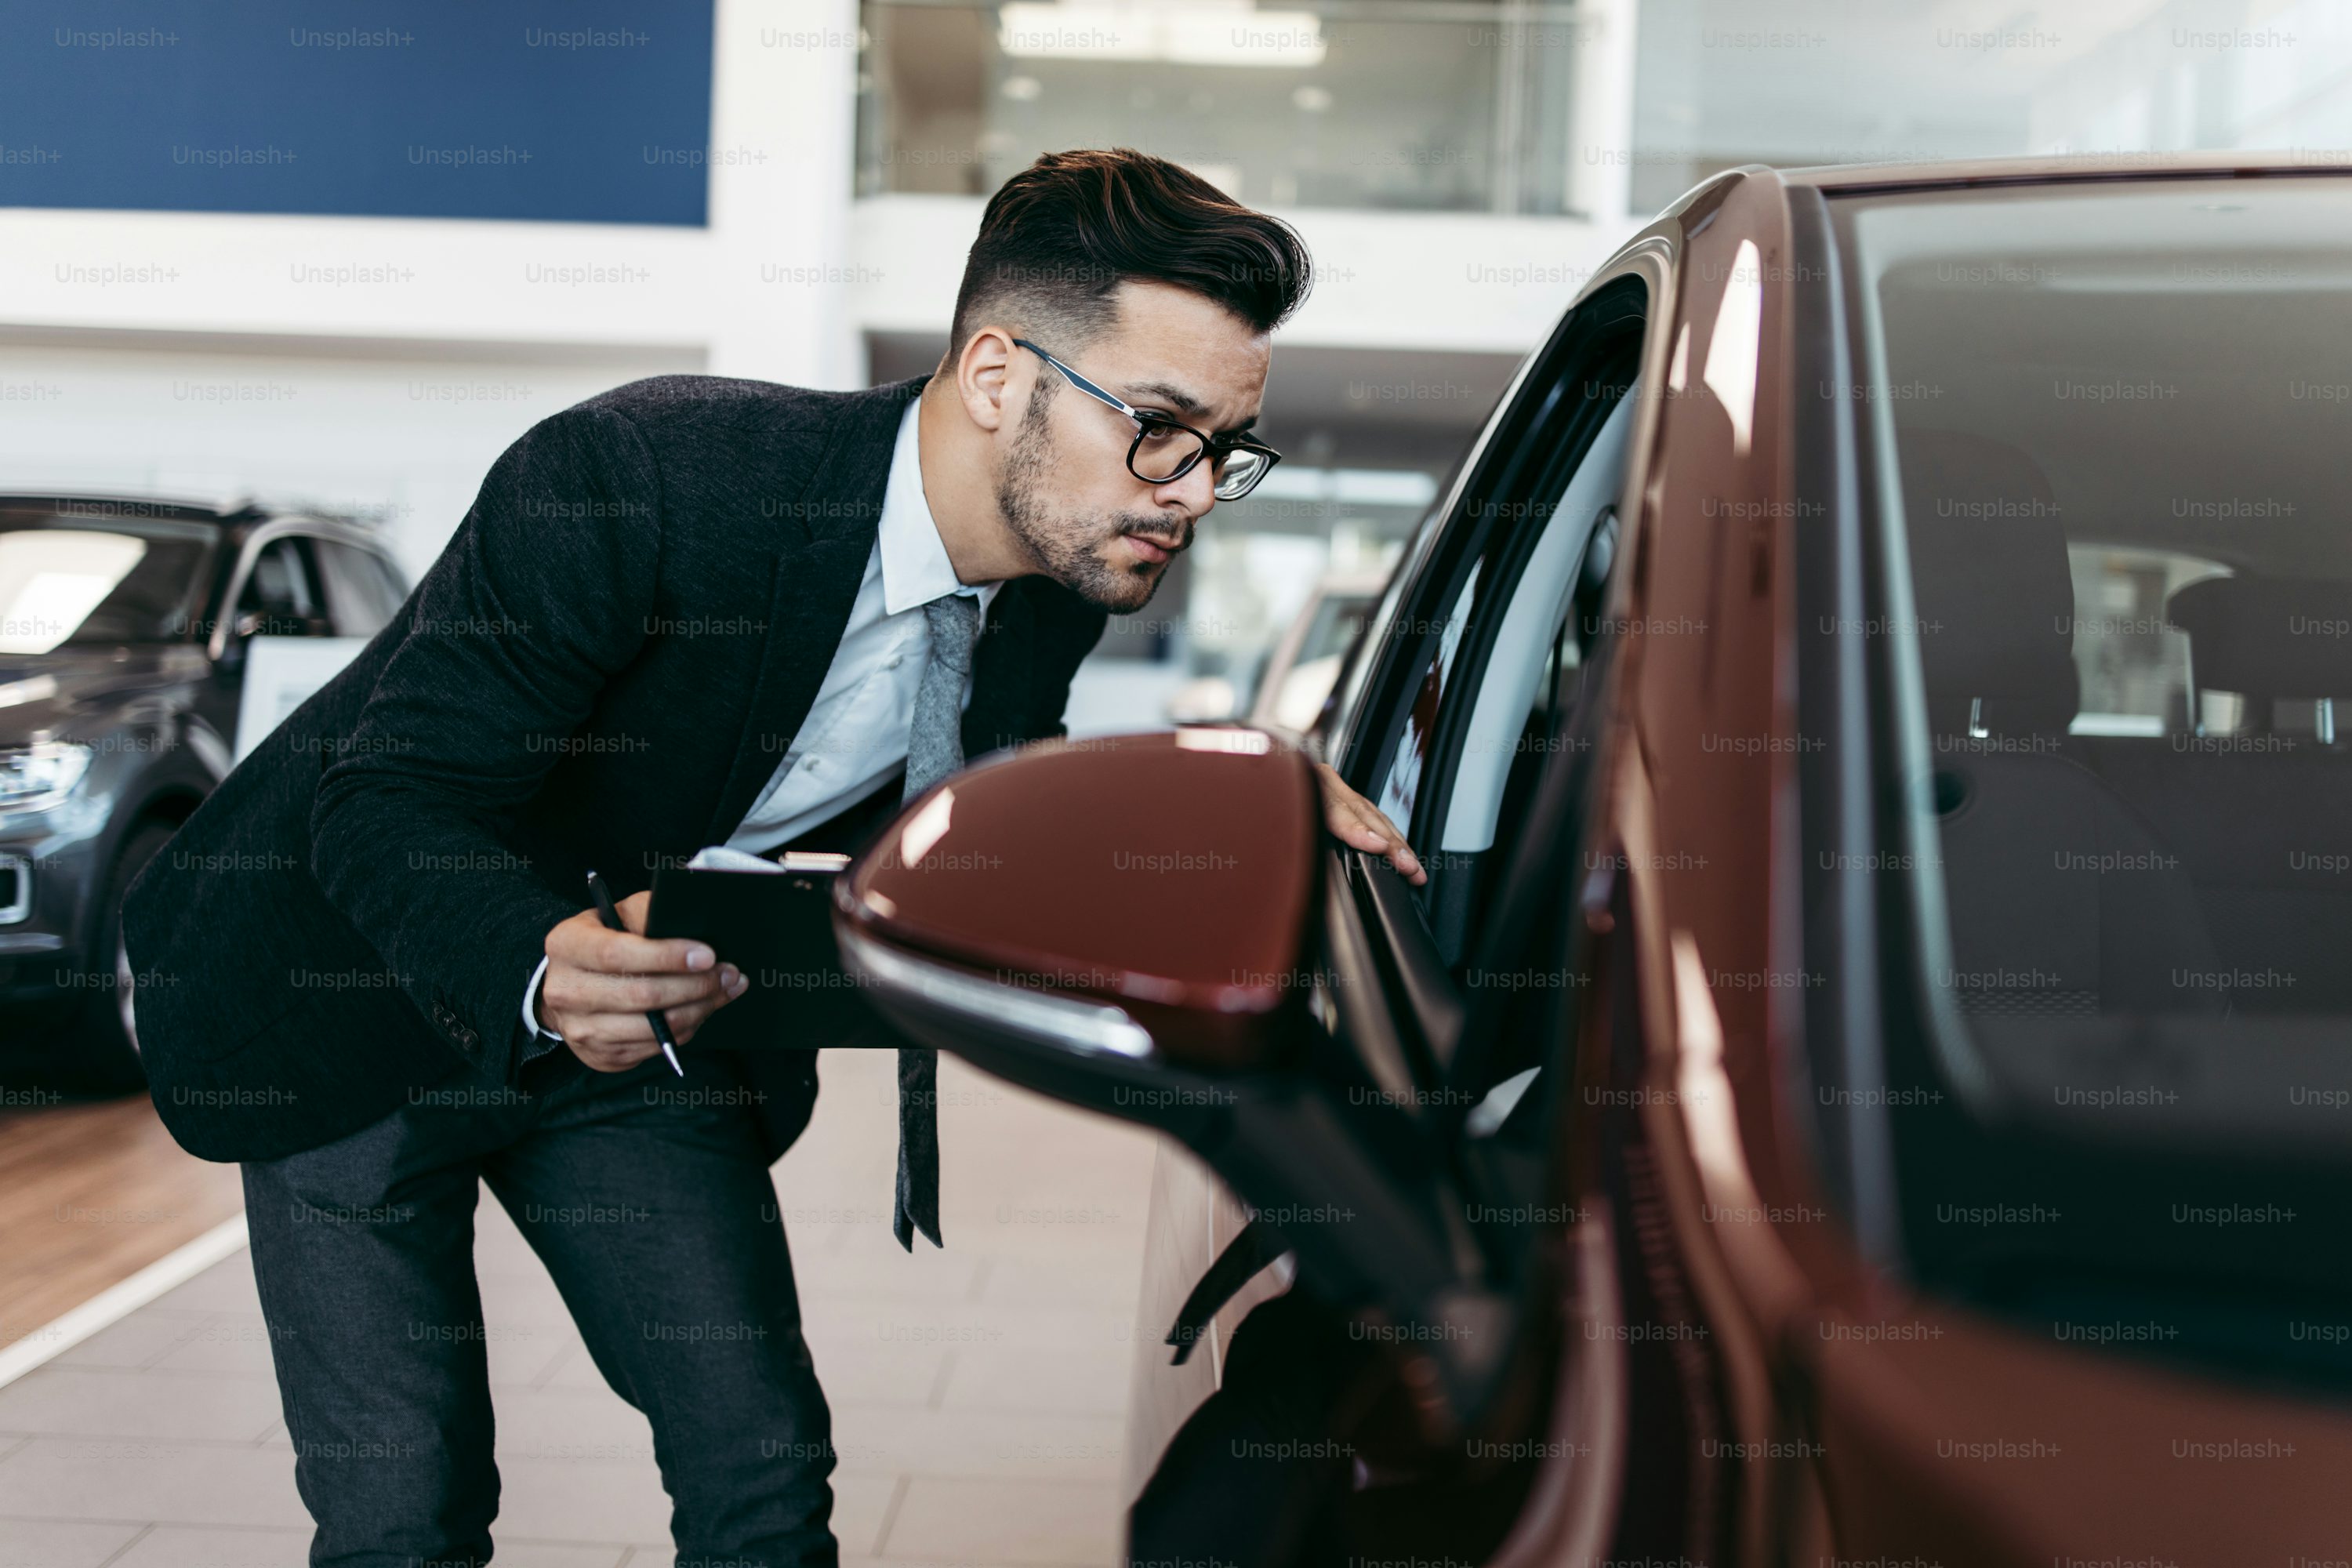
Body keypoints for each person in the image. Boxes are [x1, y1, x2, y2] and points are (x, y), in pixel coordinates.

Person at [122, 147, 1424, 1568]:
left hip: (645, 1044)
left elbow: (981, 825)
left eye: (1224, 450)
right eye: (1161, 429)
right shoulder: (646, 473)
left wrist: (1219, 795)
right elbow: (385, 799)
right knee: (404, 1515)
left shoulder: (1053, 592)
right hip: (346, 1000)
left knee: (762, 1475)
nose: (1189, 491)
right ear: (998, 377)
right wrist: (536, 973)